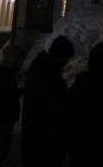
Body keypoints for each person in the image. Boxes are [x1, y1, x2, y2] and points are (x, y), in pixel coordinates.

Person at [21, 35, 75, 167]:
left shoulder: (37, 72)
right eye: (67, 58)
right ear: (61, 57)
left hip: (31, 142)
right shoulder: (52, 80)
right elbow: (58, 115)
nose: (67, 62)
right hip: (46, 147)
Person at [0, 45, 24, 167]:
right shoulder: (2, 75)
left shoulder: (4, 74)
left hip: (4, 117)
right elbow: (5, 95)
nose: (19, 63)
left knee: (1, 149)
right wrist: (21, 91)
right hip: (3, 117)